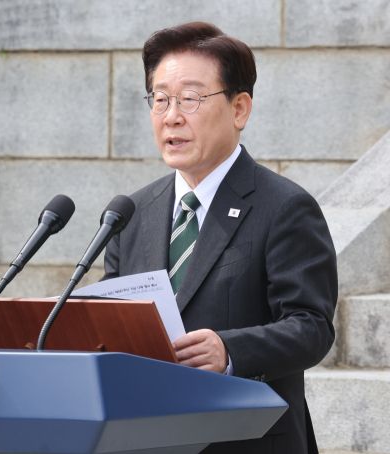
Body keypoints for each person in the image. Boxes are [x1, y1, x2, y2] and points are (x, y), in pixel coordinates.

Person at [103, 22, 337, 453]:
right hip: (145, 438)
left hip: (247, 440)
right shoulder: (131, 214)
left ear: (239, 109)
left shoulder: (284, 207)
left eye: (190, 98)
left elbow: (312, 327)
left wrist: (230, 351)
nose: (171, 116)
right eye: (160, 99)